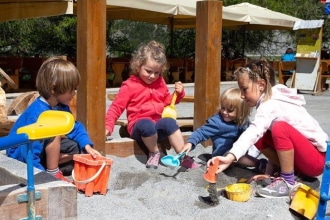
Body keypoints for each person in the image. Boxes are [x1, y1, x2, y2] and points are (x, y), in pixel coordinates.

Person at [207, 59, 328, 198]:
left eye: (244, 89)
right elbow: (274, 142)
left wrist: (230, 156)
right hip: (304, 161)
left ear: (261, 85)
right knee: (262, 136)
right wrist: (268, 173)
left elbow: (254, 131)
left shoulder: (270, 104)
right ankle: (286, 172)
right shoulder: (270, 101)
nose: (241, 95)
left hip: (315, 161)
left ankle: (288, 181)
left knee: (279, 128)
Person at [105, 40, 199, 169]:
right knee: (147, 124)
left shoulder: (160, 83)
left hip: (157, 125)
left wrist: (178, 94)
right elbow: (116, 107)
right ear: (138, 66)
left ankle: (182, 156)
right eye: (148, 71)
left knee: (169, 121)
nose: (152, 76)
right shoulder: (130, 85)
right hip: (139, 126)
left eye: (157, 73)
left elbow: (167, 101)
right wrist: (108, 127)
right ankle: (154, 153)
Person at [6, 56, 101, 182]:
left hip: (40, 148)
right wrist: (40, 176)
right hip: (21, 150)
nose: (73, 94)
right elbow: (29, 147)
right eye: (71, 90)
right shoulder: (37, 113)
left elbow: (75, 127)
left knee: (76, 146)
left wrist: (87, 146)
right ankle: (52, 171)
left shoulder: (61, 106)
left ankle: (52, 166)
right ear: (53, 88)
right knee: (53, 132)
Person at [182, 87, 267, 173]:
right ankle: (258, 163)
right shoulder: (217, 122)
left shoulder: (243, 121)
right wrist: (191, 142)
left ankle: (268, 163)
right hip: (222, 155)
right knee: (236, 154)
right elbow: (201, 132)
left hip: (240, 152)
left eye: (230, 110)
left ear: (241, 111)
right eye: (223, 108)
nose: (225, 112)